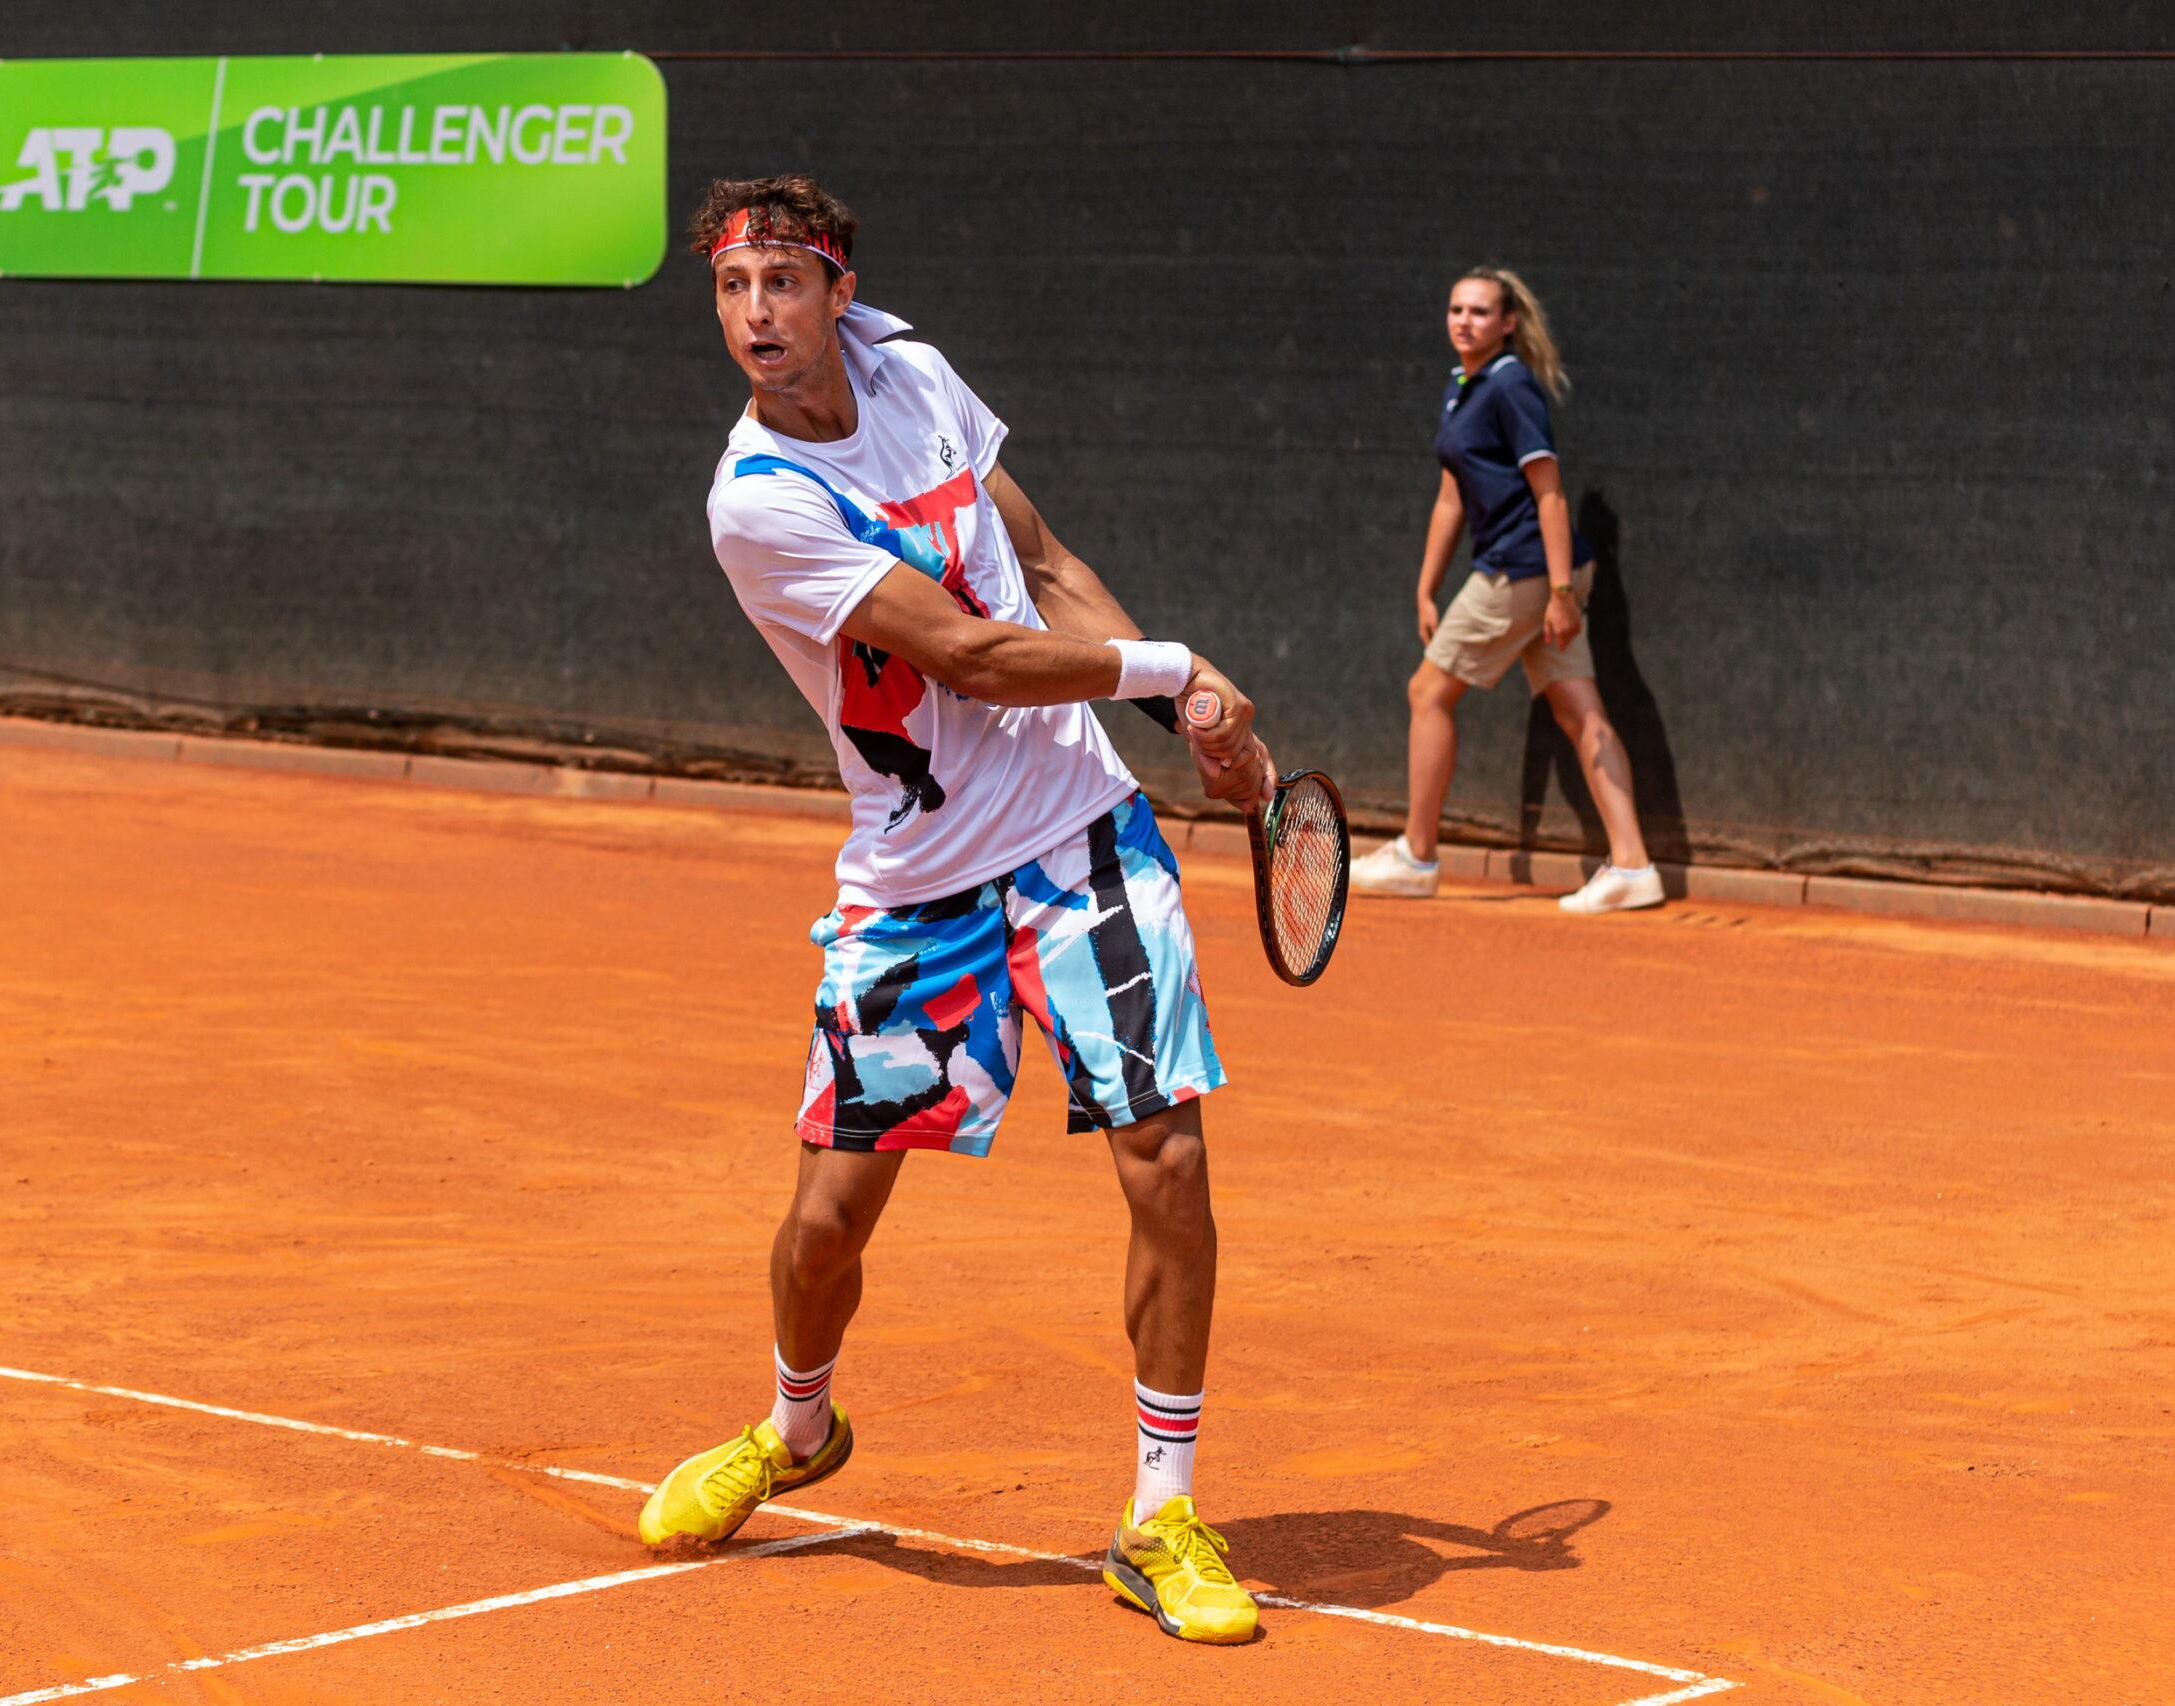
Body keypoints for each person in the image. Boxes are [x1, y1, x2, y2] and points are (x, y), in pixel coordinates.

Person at [634, 175, 1274, 1646]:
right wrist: (1178, 672)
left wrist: (1184, 717)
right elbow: (977, 656)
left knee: (1166, 1159)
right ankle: (799, 1429)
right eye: (735, 292)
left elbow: (1042, 568)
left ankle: (1161, 1512)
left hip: (1080, 836)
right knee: (825, 1226)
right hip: (918, 881)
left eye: (784, 286)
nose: (757, 317)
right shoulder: (758, 499)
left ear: (838, 290)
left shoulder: (913, 375)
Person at [1349, 268, 1663, 913]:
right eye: (1456, 309)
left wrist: (1559, 593)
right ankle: (1633, 865)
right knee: (1580, 712)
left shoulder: (1511, 385)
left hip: (1525, 569)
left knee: (1428, 691)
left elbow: (1549, 492)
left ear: (1508, 322)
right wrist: (1426, 586)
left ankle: (1417, 854)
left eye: (1480, 311)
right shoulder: (1463, 387)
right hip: (1528, 570)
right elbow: (1450, 498)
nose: (1464, 320)